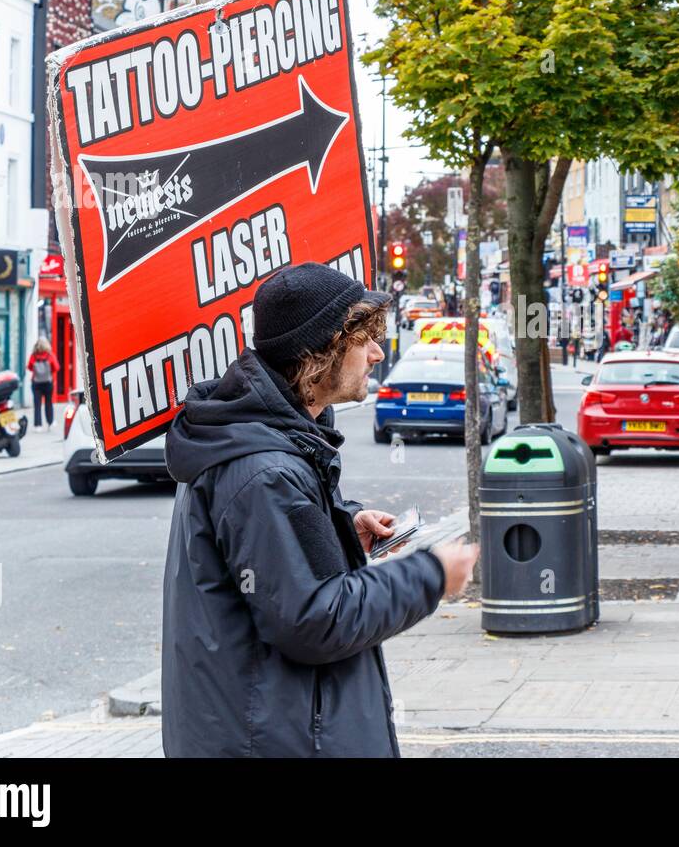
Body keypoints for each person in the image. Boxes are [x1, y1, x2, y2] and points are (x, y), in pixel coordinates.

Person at [161, 263, 480, 757]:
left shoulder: (262, 441)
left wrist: (342, 523)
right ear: (318, 354)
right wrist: (429, 575)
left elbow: (275, 558)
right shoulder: (263, 470)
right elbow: (314, 620)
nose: (377, 353)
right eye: (362, 340)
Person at [27, 339, 61, 432]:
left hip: (36, 383)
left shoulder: (33, 356)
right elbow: (57, 367)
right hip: (48, 383)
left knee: (37, 404)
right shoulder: (50, 355)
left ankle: (38, 426)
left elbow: (29, 367)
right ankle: (50, 423)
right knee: (48, 403)